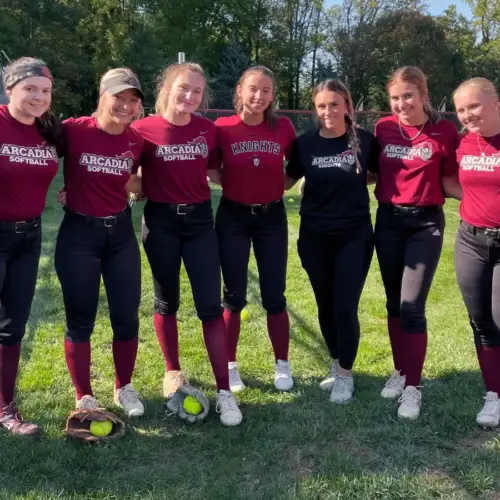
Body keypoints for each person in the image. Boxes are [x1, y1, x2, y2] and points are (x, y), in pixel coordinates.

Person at [131, 62, 242, 427]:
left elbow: (216, 173)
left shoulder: (207, 131)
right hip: (161, 223)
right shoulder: (142, 129)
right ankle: (172, 371)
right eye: (184, 88)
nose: (190, 96)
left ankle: (224, 391)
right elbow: (125, 172)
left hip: (198, 223)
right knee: (166, 301)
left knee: (210, 306)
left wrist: (262, 178)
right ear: (167, 86)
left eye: (197, 91)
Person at [55, 68, 145, 417]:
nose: (125, 105)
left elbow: (136, 179)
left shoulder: (135, 140)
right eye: (118, 97)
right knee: (81, 318)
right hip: (79, 234)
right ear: (101, 96)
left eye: (132, 100)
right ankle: (85, 396)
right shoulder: (74, 130)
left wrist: (137, 188)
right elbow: (38, 152)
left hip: (120, 234)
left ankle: (124, 386)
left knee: (126, 317)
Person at [374, 66, 461, 420]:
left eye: (407, 96)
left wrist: (484, 202)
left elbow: (452, 181)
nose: (401, 104)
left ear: (424, 95)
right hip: (388, 220)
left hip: (425, 223)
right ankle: (400, 371)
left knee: (412, 306)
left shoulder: (444, 130)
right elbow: (369, 172)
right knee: (394, 302)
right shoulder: (382, 128)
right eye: (395, 98)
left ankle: (413, 386)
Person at [284, 79, 377, 403]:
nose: (328, 111)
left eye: (334, 105)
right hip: (314, 237)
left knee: (344, 305)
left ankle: (346, 377)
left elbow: (379, 172)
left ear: (347, 107)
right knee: (325, 305)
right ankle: (338, 365)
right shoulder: (305, 144)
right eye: (322, 106)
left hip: (354, 236)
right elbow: (286, 179)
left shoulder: (365, 142)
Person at [213, 66, 296, 393]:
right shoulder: (222, 128)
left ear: (272, 95)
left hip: (271, 218)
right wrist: (236, 185)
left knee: (274, 295)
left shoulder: (283, 127)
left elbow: (298, 165)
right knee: (233, 297)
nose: (258, 96)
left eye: (265, 90)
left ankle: (282, 363)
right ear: (240, 90)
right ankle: (230, 365)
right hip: (233, 217)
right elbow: (210, 168)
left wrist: (279, 186)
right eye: (253, 89)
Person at [0, 57, 61, 435]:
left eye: (45, 91)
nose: (39, 97)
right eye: (30, 89)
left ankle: (6, 409)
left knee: (12, 328)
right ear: (10, 89)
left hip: (29, 236)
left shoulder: (48, 131)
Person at [453, 78, 500, 428]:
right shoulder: (465, 143)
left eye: (475, 106)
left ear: (495, 102)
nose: (468, 115)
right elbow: (455, 183)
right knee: (480, 320)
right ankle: (493, 395)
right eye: (461, 109)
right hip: (471, 239)